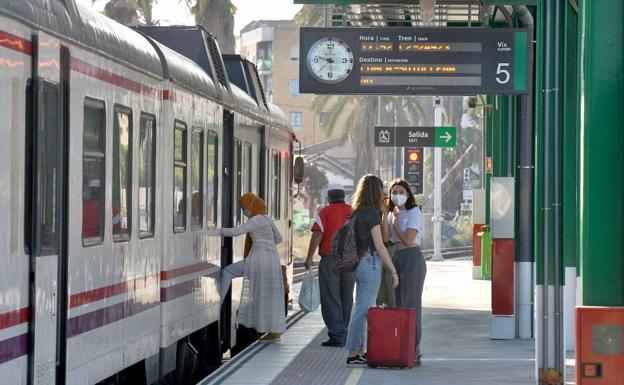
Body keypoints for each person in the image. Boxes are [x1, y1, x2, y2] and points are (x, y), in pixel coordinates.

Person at [207, 193, 285, 343]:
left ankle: (219, 303)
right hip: (271, 259)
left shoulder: (256, 220)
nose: (244, 210)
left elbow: (235, 232)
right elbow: (279, 238)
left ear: (252, 206)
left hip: (258, 259)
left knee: (227, 271)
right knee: (267, 294)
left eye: (244, 207)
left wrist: (213, 231)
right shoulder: (267, 218)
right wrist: (265, 242)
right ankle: (274, 332)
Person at [346, 174, 399, 365]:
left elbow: (383, 238)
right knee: (363, 309)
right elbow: (381, 244)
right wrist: (393, 270)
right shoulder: (370, 215)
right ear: (376, 192)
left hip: (358, 264)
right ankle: (353, 353)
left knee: (361, 307)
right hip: (370, 264)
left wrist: (384, 213)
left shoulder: (358, 212)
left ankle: (357, 350)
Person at [381, 179, 426, 366]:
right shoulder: (393, 214)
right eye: (393, 191)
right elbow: (385, 238)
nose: (396, 194)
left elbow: (408, 240)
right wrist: (386, 216)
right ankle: (400, 346)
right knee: (397, 303)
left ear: (408, 194)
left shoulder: (414, 212)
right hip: (396, 258)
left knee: (411, 305)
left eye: (400, 191)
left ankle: (413, 349)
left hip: (411, 257)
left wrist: (397, 224)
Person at [305, 183, 354, 347]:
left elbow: (318, 234)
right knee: (346, 296)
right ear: (343, 196)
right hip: (350, 259)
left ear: (329, 197)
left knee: (331, 297)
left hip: (330, 258)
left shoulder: (325, 211)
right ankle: (345, 332)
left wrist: (309, 257)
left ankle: (336, 335)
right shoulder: (352, 211)